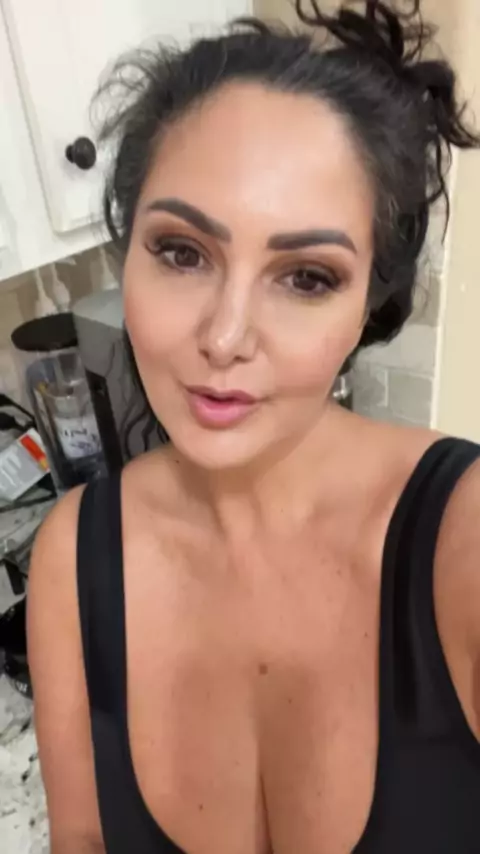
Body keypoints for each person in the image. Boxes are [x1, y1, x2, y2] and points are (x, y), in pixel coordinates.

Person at [27, 2, 480, 852]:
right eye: (182, 252)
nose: (225, 338)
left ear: (368, 305)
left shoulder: (465, 543)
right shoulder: (72, 564)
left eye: (306, 277)